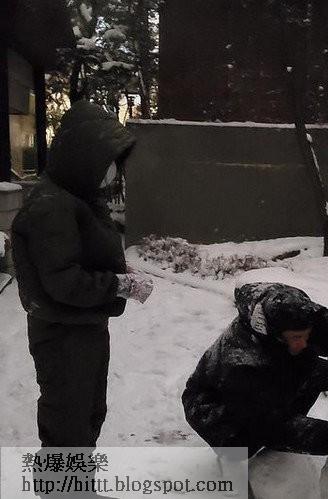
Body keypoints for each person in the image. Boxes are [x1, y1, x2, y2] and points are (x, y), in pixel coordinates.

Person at [11, 101, 153, 457]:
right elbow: (63, 280)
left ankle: (77, 484)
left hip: (82, 329)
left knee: (87, 418)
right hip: (62, 336)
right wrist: (118, 285)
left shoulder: (78, 198)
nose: (112, 172)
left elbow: (83, 254)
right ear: (84, 156)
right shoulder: (51, 205)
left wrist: (120, 273)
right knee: (67, 428)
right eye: (107, 161)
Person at [182, 282, 328, 460]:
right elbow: (266, 424)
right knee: (244, 444)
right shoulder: (240, 361)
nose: (303, 342)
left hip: (268, 374)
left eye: (306, 335)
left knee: (316, 372)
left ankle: (291, 424)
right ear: (274, 334)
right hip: (213, 404)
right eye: (296, 338)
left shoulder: (297, 315)